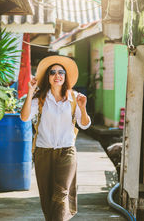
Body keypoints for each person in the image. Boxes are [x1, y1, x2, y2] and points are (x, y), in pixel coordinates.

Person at [20, 55, 91, 221]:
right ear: (48, 77)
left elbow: (85, 124)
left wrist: (83, 108)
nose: (57, 75)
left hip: (67, 151)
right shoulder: (40, 99)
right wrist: (30, 92)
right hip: (43, 152)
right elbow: (24, 117)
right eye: (53, 72)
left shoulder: (74, 97)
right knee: (47, 197)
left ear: (65, 76)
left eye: (61, 72)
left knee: (61, 193)